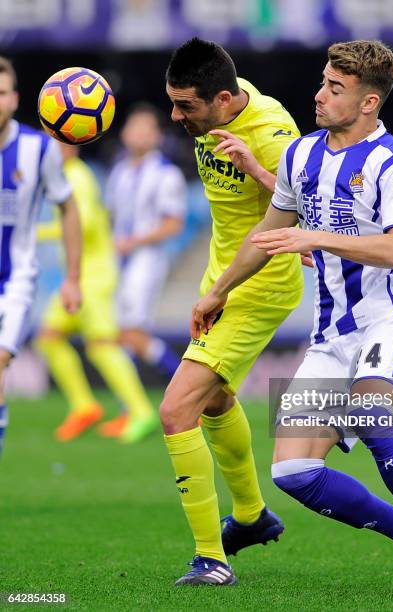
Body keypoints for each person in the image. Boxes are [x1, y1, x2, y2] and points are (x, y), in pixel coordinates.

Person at [191, 40, 393, 593]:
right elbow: (271, 231)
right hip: (330, 335)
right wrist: (218, 290)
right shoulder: (301, 155)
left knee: (368, 415)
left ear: (368, 102)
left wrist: (315, 235)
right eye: (322, 82)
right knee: (292, 473)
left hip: (387, 320)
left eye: (334, 89)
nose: (318, 96)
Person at [162, 37, 304, 586]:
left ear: (223, 99)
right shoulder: (224, 101)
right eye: (172, 102)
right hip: (221, 276)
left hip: (258, 284)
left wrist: (257, 169)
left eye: (186, 107)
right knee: (217, 398)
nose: (177, 116)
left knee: (176, 410)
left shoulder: (271, 134)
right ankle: (251, 517)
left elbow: (306, 206)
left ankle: (211, 559)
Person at [35, 143, 158, 444]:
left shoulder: (76, 177)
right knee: (49, 337)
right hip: (78, 276)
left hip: (94, 275)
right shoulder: (66, 174)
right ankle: (84, 405)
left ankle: (142, 412)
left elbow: (84, 222)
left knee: (101, 344)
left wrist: (35, 232)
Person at [0, 56, 81, 458]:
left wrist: (72, 278)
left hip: (15, 280)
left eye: (1, 93)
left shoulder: (38, 149)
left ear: (14, 99)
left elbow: (68, 206)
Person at [105, 104, 186, 396]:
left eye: (145, 128)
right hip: (119, 259)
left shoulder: (166, 174)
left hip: (146, 260)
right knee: (119, 335)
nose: (138, 134)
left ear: (157, 136)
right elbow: (112, 216)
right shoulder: (120, 172)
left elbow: (174, 224)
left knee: (133, 333)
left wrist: (135, 241)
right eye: (133, 127)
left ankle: (186, 388)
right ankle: (131, 408)